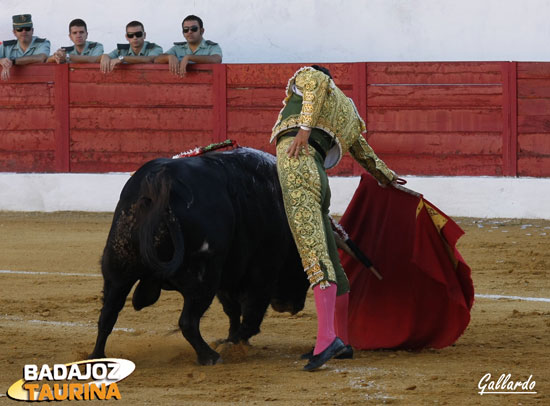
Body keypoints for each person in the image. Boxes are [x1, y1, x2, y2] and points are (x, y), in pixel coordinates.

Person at [270, 65, 397, 371]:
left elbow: (312, 87)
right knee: (329, 254)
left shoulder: (311, 75)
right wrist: (387, 176)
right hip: (318, 173)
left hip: (297, 161)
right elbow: (361, 149)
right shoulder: (347, 111)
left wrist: (303, 129)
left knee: (314, 253)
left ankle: (327, 339)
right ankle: (340, 337)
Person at [155, 15, 222, 77]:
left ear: (202, 31)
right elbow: (157, 60)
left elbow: (216, 59)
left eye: (194, 29)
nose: (189, 32)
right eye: (186, 29)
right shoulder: (177, 48)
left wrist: (189, 57)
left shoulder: (212, 47)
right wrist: (169, 57)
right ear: (183, 33)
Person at [0, 14, 50, 81]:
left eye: (27, 28)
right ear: (14, 32)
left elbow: (41, 58)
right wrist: (1, 61)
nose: (24, 32)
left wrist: (13, 61)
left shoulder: (42, 43)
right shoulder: (6, 46)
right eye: (19, 29)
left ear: (32, 30)